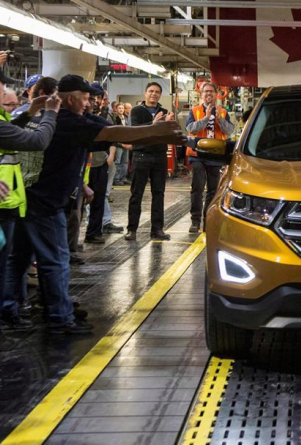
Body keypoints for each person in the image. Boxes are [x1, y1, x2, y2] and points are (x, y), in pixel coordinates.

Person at [4, 74, 185, 334]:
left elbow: (114, 135)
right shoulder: (64, 120)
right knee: (55, 260)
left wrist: (156, 136)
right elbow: (112, 132)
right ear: (69, 98)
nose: (90, 103)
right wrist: (157, 132)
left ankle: (13, 310)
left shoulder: (76, 118)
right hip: (45, 201)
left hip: (31, 198)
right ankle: (59, 317)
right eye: (86, 98)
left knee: (19, 259)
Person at [0, 84, 61, 330]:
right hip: (5, 204)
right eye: (5, 97)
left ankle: (8, 310)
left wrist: (28, 113)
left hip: (10, 203)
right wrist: (50, 113)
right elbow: (38, 141)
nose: (7, 99)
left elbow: (10, 132)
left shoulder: (4, 120)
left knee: (8, 261)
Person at [125, 82, 175, 241]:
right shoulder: (136, 111)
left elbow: (170, 134)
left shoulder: (164, 112)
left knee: (159, 194)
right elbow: (135, 131)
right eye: (151, 91)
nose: (154, 94)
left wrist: (170, 124)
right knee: (136, 193)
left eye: (157, 92)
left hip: (159, 156)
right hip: (141, 155)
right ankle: (132, 229)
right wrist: (153, 124)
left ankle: (157, 229)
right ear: (145, 93)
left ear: (160, 95)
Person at [186, 82, 235, 233]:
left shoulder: (223, 111)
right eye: (205, 92)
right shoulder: (194, 111)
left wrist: (219, 118)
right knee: (197, 188)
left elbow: (230, 131)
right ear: (201, 95)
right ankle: (195, 221)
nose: (208, 94)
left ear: (215, 95)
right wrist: (206, 118)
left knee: (213, 190)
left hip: (215, 155)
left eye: (211, 92)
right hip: (197, 155)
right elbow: (190, 129)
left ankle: (208, 220)